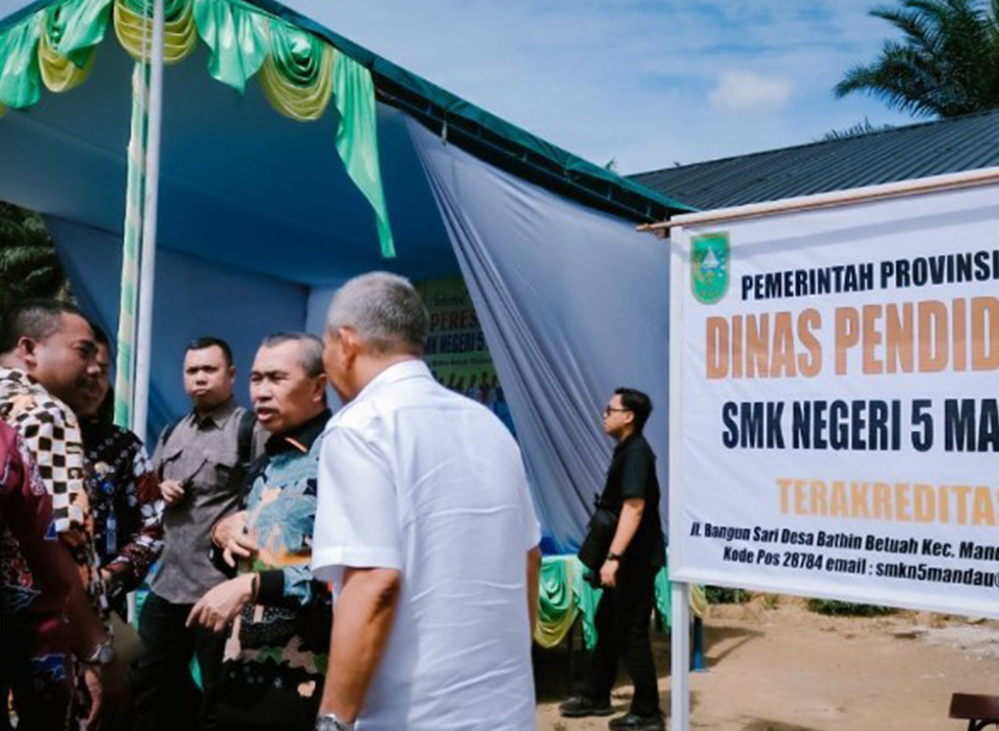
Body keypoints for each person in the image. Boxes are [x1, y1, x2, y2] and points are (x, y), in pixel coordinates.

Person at [312, 272, 542, 731]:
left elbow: (374, 582)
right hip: (505, 712)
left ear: (345, 342)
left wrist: (333, 720)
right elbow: (529, 558)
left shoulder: (361, 427)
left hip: (412, 716)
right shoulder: (489, 427)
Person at [190, 332, 333, 731]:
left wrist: (255, 586)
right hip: (239, 673)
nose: (262, 392)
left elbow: (350, 575)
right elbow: (243, 557)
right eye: (256, 379)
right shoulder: (267, 459)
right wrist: (221, 536)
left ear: (318, 386)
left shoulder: (340, 455)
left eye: (276, 378)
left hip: (306, 682)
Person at [133, 337, 260, 731]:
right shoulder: (173, 430)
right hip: (167, 585)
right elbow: (144, 491)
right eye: (192, 371)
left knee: (221, 699)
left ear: (231, 375)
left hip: (218, 591)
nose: (200, 378)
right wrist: (160, 488)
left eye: (209, 369)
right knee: (149, 689)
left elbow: (270, 498)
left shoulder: (250, 429)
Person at [0, 300, 111, 729]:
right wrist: (94, 648)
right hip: (44, 646)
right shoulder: (45, 411)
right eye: (83, 352)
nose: (94, 368)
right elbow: (60, 543)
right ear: (29, 349)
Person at [560, 388, 666, 731]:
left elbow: (634, 508)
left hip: (635, 560)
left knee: (631, 631)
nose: (604, 415)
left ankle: (648, 712)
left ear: (629, 416)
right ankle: (596, 695)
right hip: (628, 558)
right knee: (607, 622)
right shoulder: (627, 451)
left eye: (610, 409)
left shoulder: (637, 454)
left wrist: (614, 557)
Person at [77, 325, 164, 614]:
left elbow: (152, 525)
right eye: (85, 366)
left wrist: (111, 576)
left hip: (99, 607)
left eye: (103, 370)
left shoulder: (124, 446)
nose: (94, 377)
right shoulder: (20, 436)